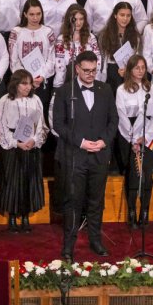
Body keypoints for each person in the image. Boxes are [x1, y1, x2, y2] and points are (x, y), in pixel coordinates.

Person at [53, 50, 117, 258]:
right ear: (77, 69)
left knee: (96, 201)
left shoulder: (105, 89)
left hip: (99, 155)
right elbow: (58, 124)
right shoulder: (64, 91)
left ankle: (95, 240)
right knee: (73, 202)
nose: (91, 74)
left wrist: (103, 141)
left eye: (94, 70)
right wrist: (80, 142)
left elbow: (113, 121)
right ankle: (68, 246)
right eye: (87, 70)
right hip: (74, 157)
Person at [0, 69, 48, 233]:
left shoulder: (36, 100)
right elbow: (1, 126)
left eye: (30, 84)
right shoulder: (5, 100)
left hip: (31, 145)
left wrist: (34, 140)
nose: (28, 87)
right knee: (12, 180)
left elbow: (41, 124)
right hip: (13, 146)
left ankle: (25, 216)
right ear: (15, 84)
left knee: (29, 181)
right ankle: (12, 216)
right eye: (24, 83)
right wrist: (15, 143)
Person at [116, 55, 153, 227]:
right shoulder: (122, 90)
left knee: (146, 175)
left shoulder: (152, 89)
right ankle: (132, 211)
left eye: (143, 67)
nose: (141, 71)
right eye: (137, 67)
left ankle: (145, 210)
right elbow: (121, 115)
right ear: (130, 70)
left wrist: (146, 137)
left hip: (148, 137)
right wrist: (133, 139)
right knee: (133, 175)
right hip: (129, 137)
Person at [7, 0, 57, 112]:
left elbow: (51, 59)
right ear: (25, 14)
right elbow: (14, 60)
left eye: (38, 14)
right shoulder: (17, 32)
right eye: (31, 14)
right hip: (21, 83)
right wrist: (27, 80)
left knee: (41, 111)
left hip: (42, 81)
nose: (35, 18)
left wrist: (42, 76)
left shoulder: (48, 32)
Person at [52, 3, 102, 88]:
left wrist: (95, 82)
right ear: (69, 20)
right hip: (69, 82)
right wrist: (58, 86)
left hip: (89, 81)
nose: (78, 23)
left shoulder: (91, 37)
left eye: (81, 19)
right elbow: (60, 66)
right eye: (75, 19)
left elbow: (98, 61)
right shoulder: (61, 39)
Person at [96, 1, 141, 89]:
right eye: (122, 15)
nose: (125, 19)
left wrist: (128, 70)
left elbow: (136, 57)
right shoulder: (104, 35)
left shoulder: (135, 35)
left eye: (128, 15)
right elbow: (102, 59)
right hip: (110, 71)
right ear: (115, 15)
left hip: (129, 70)